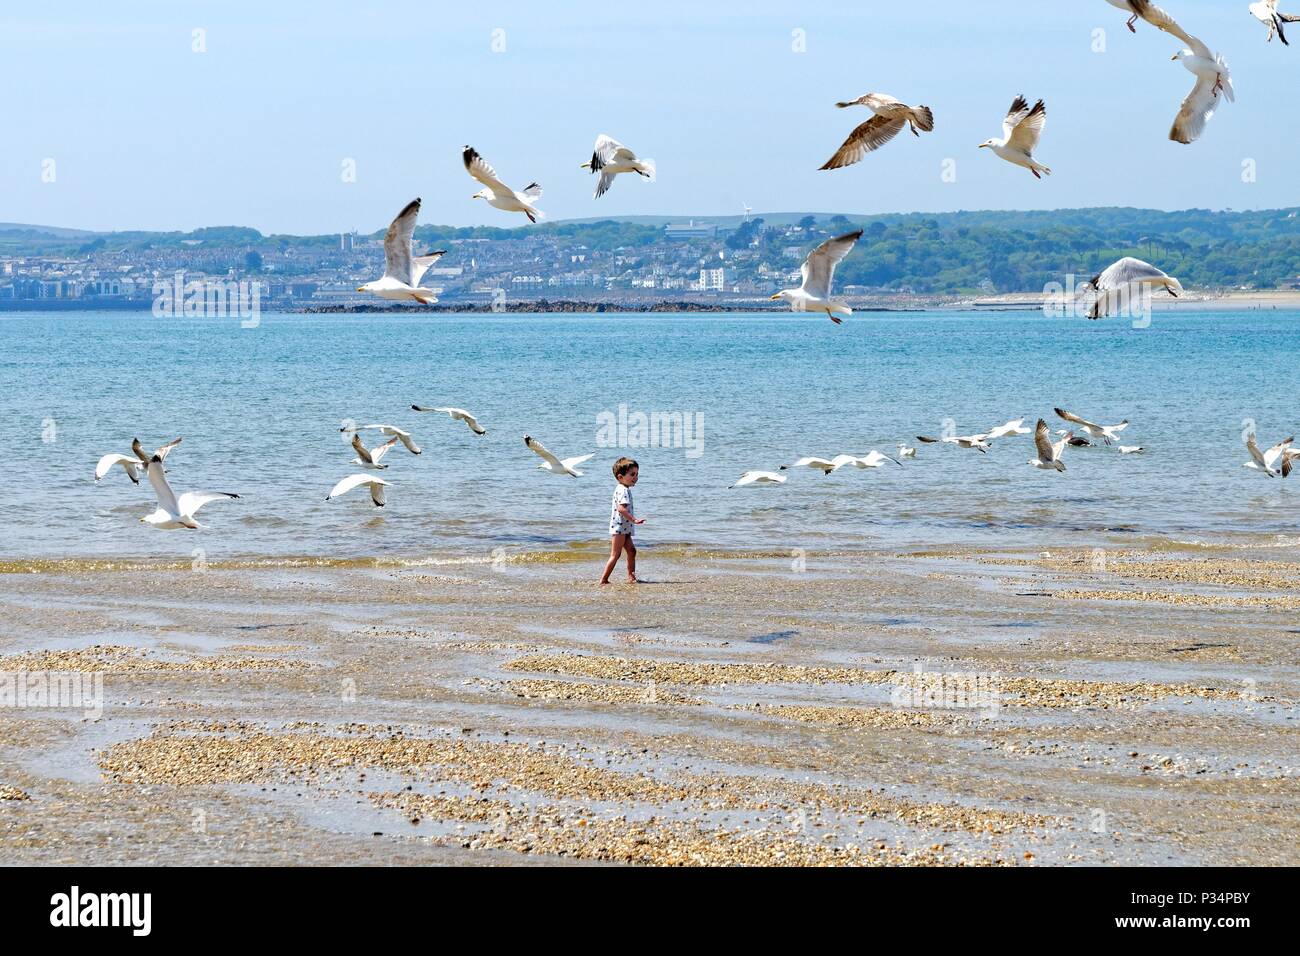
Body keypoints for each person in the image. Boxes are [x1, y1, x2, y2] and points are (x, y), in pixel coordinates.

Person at [599, 457, 645, 584]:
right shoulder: (623, 490)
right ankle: (604, 579)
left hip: (624, 526)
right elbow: (621, 509)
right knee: (615, 554)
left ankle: (631, 577)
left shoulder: (624, 488)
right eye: (632, 474)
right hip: (619, 527)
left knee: (631, 551)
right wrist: (634, 520)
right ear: (620, 477)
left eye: (637, 474)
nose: (635, 477)